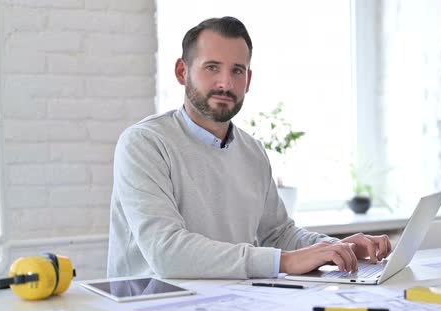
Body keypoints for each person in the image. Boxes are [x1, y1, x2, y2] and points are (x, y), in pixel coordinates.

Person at [107, 16, 392, 279]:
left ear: (249, 80)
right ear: (182, 72)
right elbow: (166, 253)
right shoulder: (144, 143)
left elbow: (278, 235)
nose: (226, 83)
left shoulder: (252, 150)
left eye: (237, 71)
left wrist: (335, 248)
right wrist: (284, 262)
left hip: (231, 308)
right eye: (212, 67)